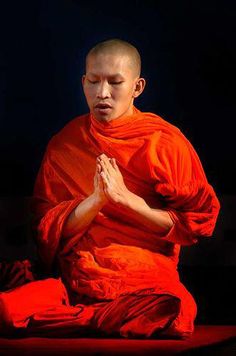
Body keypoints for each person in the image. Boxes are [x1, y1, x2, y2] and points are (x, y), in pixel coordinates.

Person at [0, 39, 220, 338]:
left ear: (137, 87)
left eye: (115, 82)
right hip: (80, 278)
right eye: (93, 81)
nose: (102, 93)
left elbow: (194, 225)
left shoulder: (164, 142)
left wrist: (129, 202)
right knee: (7, 310)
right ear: (83, 83)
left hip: (143, 282)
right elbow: (47, 230)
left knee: (174, 310)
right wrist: (96, 200)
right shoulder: (65, 143)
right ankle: (94, 317)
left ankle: (82, 319)